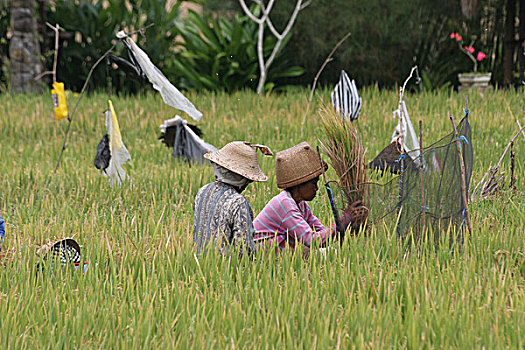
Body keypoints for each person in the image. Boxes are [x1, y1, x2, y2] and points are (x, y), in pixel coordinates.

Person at [254, 141, 365, 252]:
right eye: (313, 183)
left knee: (329, 253)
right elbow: (313, 240)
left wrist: (346, 225)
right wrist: (344, 219)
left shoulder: (301, 205)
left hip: (280, 251)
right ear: (299, 184)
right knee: (309, 251)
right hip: (262, 255)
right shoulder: (285, 204)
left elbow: (321, 231)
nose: (316, 188)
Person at [193, 141, 272, 256]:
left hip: (197, 265)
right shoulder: (238, 202)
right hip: (224, 270)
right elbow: (246, 250)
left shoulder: (203, 191)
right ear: (240, 177)